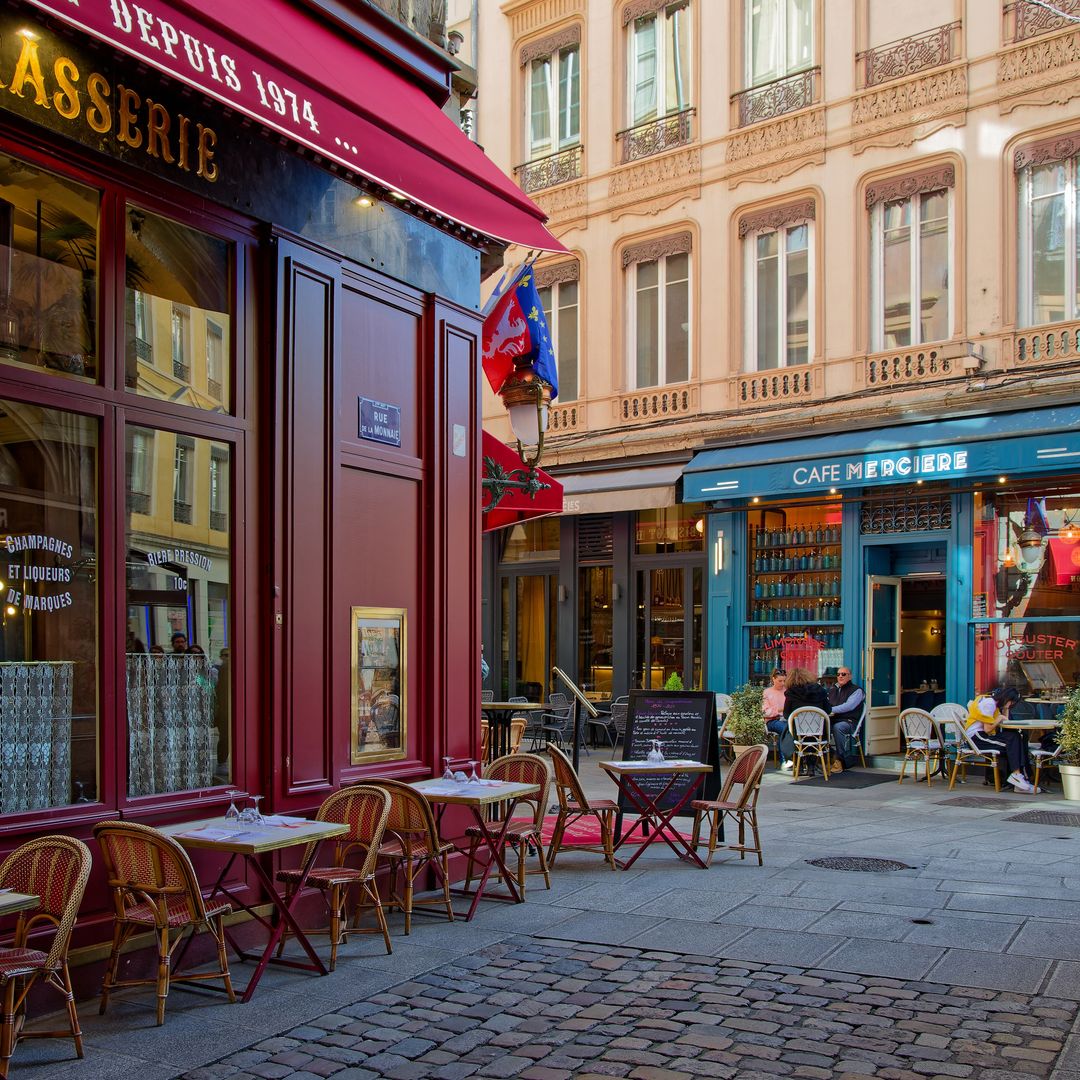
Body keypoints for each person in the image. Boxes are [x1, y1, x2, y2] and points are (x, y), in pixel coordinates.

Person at [965, 686, 1037, 793]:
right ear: (1008, 699)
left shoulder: (994, 704)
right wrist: (999, 717)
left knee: (1015, 737)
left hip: (982, 736)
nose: (1011, 705)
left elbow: (1005, 722)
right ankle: (1018, 776)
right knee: (1013, 743)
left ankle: (1019, 778)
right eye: (1011, 702)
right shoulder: (989, 704)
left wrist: (1005, 709)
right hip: (977, 738)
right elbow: (988, 729)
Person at [780, 667, 830, 768]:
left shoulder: (790, 693)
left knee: (788, 731)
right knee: (814, 735)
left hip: (798, 734)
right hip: (819, 733)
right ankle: (811, 766)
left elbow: (786, 715)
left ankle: (799, 765)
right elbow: (828, 710)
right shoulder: (820, 691)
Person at [828, 666, 865, 774]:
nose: (840, 676)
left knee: (838, 727)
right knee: (819, 727)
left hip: (849, 722)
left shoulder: (857, 690)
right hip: (832, 719)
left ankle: (840, 760)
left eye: (843, 674)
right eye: (838, 674)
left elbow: (848, 706)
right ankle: (828, 756)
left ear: (850, 676)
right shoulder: (833, 690)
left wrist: (829, 709)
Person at [762, 670, 791, 770]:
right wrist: (781, 710)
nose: (782, 683)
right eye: (780, 681)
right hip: (772, 721)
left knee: (794, 728)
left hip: (787, 719)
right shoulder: (767, 692)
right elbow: (766, 712)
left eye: (784, 681)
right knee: (785, 729)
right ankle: (786, 762)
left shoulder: (787, 691)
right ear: (773, 679)